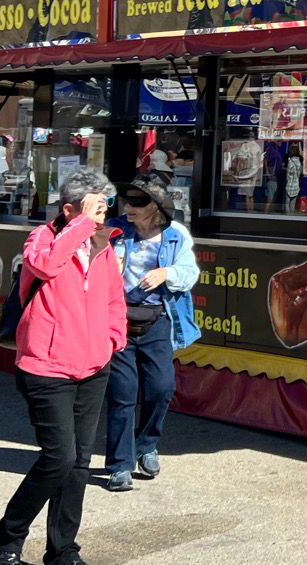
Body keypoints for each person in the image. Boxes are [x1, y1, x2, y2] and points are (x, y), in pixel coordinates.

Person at [0, 169, 125, 565]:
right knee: (58, 458)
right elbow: (45, 266)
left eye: (105, 206)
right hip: (46, 367)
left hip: (94, 365)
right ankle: (9, 536)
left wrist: (113, 338)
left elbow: (114, 300)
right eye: (96, 206)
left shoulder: (104, 247)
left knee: (79, 465)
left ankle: (63, 549)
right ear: (69, 209)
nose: (104, 215)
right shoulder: (42, 239)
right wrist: (81, 224)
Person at [102, 172, 201, 491]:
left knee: (160, 388)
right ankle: (120, 465)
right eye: (127, 200)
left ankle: (146, 445)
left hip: (158, 319)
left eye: (138, 201)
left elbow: (190, 273)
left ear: (156, 207)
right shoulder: (114, 231)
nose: (129, 206)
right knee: (123, 393)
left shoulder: (176, 235)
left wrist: (166, 273)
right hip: (118, 321)